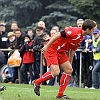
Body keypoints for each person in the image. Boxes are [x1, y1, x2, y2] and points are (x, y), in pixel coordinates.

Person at [32, 19, 96, 99]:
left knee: (69, 70)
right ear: (87, 29)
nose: (94, 31)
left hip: (61, 52)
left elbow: (73, 50)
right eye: (93, 29)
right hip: (52, 49)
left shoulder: (81, 37)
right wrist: (47, 46)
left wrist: (70, 62)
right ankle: (37, 82)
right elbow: (58, 34)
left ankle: (60, 94)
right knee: (56, 72)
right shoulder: (74, 31)